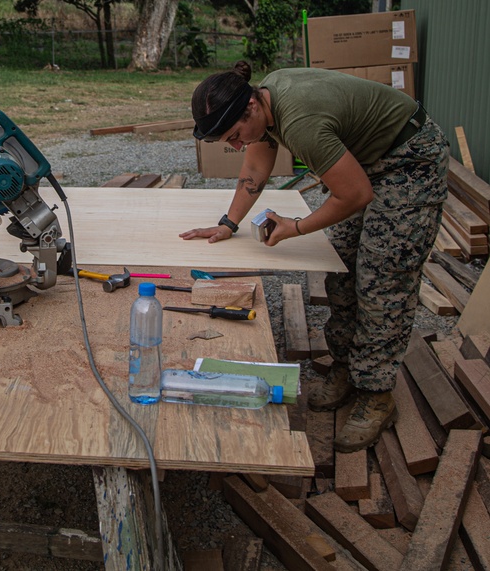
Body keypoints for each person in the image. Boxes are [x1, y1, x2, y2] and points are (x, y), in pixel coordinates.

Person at [181, 61, 449, 453]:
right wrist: (228, 222)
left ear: (252, 108)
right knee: (341, 270)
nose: (236, 146)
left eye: (236, 136)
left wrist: (297, 226)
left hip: (410, 159)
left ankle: (376, 394)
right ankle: (345, 369)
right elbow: (256, 164)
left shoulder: (301, 122)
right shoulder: (262, 103)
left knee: (382, 280)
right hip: (368, 161)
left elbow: (355, 195)